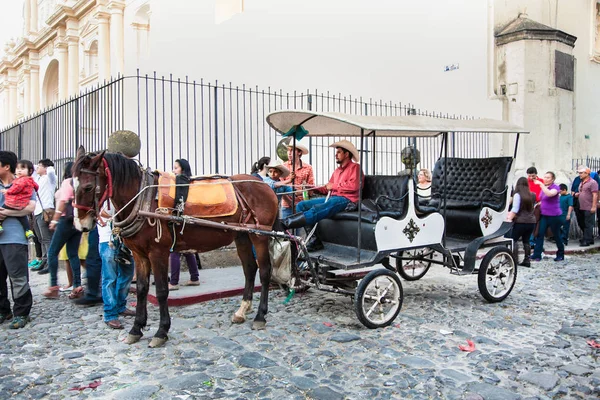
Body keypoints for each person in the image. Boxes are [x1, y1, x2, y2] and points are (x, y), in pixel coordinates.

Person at [282, 140, 364, 251]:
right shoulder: (337, 171)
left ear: (347, 154)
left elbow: (354, 186)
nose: (336, 154)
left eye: (339, 152)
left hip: (348, 200)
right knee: (301, 205)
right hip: (333, 198)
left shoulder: (356, 168)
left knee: (323, 206)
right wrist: (313, 188)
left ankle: (287, 223)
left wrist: (333, 186)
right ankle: (314, 240)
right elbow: (327, 189)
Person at [0, 151, 36, 329]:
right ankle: (3, 310)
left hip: (14, 238)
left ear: (6, 166)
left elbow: (29, 208)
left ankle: (22, 313)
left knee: (18, 277)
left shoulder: (23, 183)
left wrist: (6, 213)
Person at [42, 162, 84, 299]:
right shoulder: (79, 183)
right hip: (76, 221)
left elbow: (63, 202)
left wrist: (54, 220)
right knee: (73, 254)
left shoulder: (67, 182)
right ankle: (77, 285)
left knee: (52, 252)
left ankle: (53, 286)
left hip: (65, 221)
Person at [98, 201, 135, 329]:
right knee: (109, 279)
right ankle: (110, 314)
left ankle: (120, 305)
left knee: (127, 274)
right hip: (107, 239)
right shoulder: (101, 194)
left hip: (125, 237)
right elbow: (99, 211)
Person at [168, 159, 200, 291]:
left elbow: (180, 200)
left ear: (182, 168)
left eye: (176, 168)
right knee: (187, 250)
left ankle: (174, 282)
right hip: (188, 217)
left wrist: (175, 216)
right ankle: (194, 277)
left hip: (180, 218)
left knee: (175, 249)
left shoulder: (180, 179)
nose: (174, 170)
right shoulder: (189, 179)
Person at [531, 172, 564, 262]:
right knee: (540, 234)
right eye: (544, 177)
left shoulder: (555, 187)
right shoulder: (544, 188)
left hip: (554, 216)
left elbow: (550, 194)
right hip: (544, 215)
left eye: (548, 177)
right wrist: (539, 203)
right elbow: (544, 198)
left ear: (552, 179)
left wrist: (541, 184)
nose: (545, 179)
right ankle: (537, 254)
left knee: (556, 235)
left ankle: (560, 254)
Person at [31, 158, 56, 274]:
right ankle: (45, 260)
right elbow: (32, 168)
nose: (37, 168)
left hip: (45, 211)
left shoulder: (50, 178)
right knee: (40, 239)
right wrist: (40, 167)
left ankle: (50, 263)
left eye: (40, 166)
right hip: (36, 211)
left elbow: (50, 171)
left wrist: (48, 166)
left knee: (46, 239)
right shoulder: (39, 179)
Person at [0, 160, 37, 239]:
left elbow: (30, 208)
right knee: (22, 217)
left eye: (22, 168)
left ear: (7, 167)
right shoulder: (30, 181)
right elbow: (36, 186)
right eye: (18, 168)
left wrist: (7, 191)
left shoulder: (21, 181)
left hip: (15, 240)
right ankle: (28, 230)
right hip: (21, 204)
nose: (19, 170)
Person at [505, 177, 536, 267]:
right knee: (526, 241)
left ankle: (514, 259)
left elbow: (515, 209)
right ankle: (527, 260)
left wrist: (509, 218)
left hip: (520, 222)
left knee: (514, 240)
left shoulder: (517, 195)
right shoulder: (532, 195)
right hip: (531, 221)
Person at [281, 143, 314, 219]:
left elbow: (311, 187)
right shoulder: (283, 167)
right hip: (287, 205)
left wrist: (305, 189)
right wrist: (290, 202)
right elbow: (281, 187)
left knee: (298, 229)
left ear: (299, 152)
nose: (289, 153)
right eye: (288, 150)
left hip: (301, 204)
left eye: (292, 150)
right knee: (286, 229)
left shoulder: (308, 168)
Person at [575, 166, 598, 247]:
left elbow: (595, 195)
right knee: (582, 223)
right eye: (579, 173)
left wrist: (594, 206)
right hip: (581, 206)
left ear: (587, 173)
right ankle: (589, 237)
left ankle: (587, 240)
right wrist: (578, 194)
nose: (579, 174)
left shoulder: (593, 182)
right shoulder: (582, 182)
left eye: (581, 173)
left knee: (588, 224)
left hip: (588, 206)